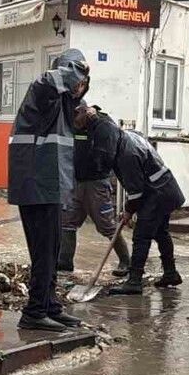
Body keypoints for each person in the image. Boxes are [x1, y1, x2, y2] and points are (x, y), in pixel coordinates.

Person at [7, 48, 90, 332]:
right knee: (44, 250)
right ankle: (34, 312)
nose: (80, 88)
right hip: (36, 183)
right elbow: (46, 81)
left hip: (47, 185)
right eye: (79, 81)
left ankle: (49, 306)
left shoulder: (61, 107)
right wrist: (77, 69)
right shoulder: (44, 94)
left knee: (51, 250)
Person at [102, 122, 185, 295]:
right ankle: (171, 273)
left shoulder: (127, 155)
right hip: (166, 189)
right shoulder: (128, 137)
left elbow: (136, 191)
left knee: (141, 236)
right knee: (161, 232)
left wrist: (128, 211)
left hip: (158, 194)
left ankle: (134, 281)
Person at [59, 105, 131, 277]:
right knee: (68, 222)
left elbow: (107, 156)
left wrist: (95, 166)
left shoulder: (104, 127)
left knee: (106, 225)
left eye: (76, 119)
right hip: (76, 182)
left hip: (96, 184)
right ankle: (65, 262)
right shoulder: (79, 126)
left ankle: (126, 261)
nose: (74, 124)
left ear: (86, 113)